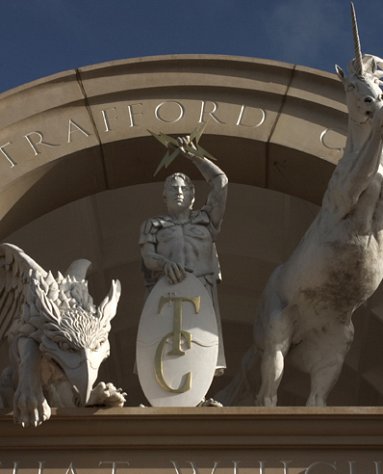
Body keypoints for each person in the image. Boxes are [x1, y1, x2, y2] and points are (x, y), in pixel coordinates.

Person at [139, 140, 228, 373]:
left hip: (202, 291)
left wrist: (194, 155)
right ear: (164, 197)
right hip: (166, 293)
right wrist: (164, 264)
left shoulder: (207, 221)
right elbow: (148, 257)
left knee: (201, 347)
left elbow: (221, 182)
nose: (178, 192)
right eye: (173, 189)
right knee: (164, 349)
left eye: (183, 189)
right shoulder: (154, 225)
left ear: (192, 195)